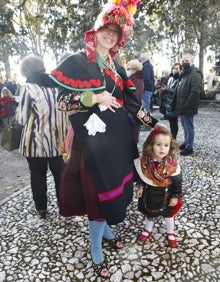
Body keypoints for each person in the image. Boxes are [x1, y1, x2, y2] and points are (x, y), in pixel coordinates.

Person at [49, 0, 158, 278]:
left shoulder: (117, 65)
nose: (110, 34)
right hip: (91, 147)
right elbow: (62, 102)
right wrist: (94, 96)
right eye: (106, 28)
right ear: (95, 31)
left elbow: (133, 105)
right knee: (98, 195)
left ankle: (107, 230)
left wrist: (156, 126)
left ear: (120, 38)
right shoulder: (76, 61)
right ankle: (96, 248)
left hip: (118, 143)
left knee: (115, 192)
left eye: (115, 32)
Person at [15, 55, 67, 219]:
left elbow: (22, 119)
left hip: (35, 142)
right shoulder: (57, 86)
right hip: (58, 141)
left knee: (38, 174)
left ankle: (41, 208)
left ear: (26, 70)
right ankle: (63, 204)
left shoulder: (28, 88)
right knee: (59, 175)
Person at [134, 124, 183, 248]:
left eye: (166, 145)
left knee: (168, 215)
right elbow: (140, 176)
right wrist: (140, 186)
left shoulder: (172, 164)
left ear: (170, 146)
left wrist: (175, 196)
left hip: (167, 194)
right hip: (150, 194)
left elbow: (177, 181)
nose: (162, 148)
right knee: (149, 213)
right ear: (151, 146)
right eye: (158, 145)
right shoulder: (144, 163)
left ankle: (170, 232)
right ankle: (148, 229)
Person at [173, 53, 203, 156]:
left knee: (189, 127)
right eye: (183, 61)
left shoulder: (195, 73)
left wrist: (186, 105)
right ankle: (186, 142)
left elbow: (195, 92)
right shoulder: (184, 73)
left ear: (192, 61)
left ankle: (189, 147)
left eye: (187, 61)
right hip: (182, 105)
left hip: (188, 106)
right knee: (184, 126)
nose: (184, 63)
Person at [126, 59, 144, 143]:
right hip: (132, 110)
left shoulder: (137, 81)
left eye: (129, 69)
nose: (127, 71)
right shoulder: (133, 79)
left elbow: (134, 97)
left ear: (135, 69)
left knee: (133, 135)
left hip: (133, 111)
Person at [164, 63, 182, 139]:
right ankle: (172, 136)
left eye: (177, 69)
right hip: (168, 103)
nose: (175, 70)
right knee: (171, 122)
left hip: (175, 103)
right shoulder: (170, 79)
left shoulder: (180, 79)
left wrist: (166, 89)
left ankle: (174, 138)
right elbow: (168, 90)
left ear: (180, 70)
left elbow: (177, 91)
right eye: (174, 68)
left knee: (174, 122)